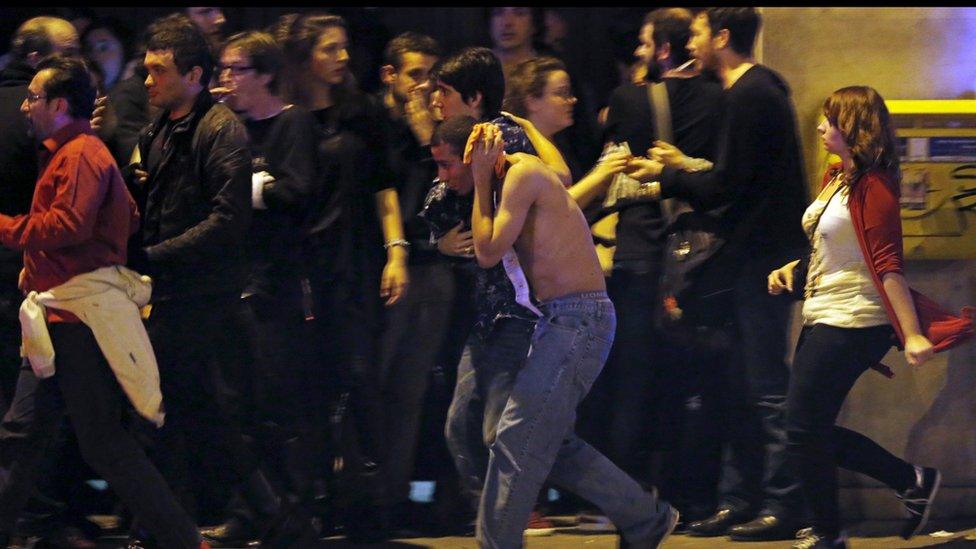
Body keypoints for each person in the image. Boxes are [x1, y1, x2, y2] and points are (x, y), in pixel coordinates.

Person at [434, 115, 678, 549]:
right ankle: (645, 518)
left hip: (579, 320)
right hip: (557, 320)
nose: (443, 177)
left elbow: (488, 252)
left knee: (514, 437)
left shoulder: (521, 175)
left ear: (477, 156)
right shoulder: (505, 180)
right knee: (548, 441)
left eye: (449, 165)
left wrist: (483, 173)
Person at [0, 54, 206, 549]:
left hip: (73, 321)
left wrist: (8, 230)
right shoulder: (74, 153)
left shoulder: (81, 155)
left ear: (60, 104)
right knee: (28, 438)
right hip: (62, 316)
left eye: (33, 97)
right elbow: (125, 215)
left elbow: (70, 224)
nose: (25, 106)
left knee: (90, 442)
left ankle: (183, 538)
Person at [130, 15, 312, 546]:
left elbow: (227, 221)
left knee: (168, 411)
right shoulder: (159, 128)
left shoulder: (220, 129)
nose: (148, 81)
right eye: (146, 70)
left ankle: (165, 525)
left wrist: (152, 257)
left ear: (193, 74)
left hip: (205, 295)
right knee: (196, 414)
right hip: (174, 289)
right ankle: (271, 515)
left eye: (158, 71)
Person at [629, 8, 808, 540]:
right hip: (748, 262)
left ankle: (783, 504)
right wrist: (684, 166)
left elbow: (731, 185)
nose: (694, 40)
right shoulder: (755, 90)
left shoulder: (752, 93)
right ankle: (740, 499)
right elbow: (738, 178)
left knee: (768, 388)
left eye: (702, 31)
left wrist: (664, 178)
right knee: (740, 385)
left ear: (723, 37)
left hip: (763, 264)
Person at [768, 86, 973, 549]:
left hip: (857, 317)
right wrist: (792, 271)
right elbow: (832, 249)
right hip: (823, 311)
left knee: (801, 427)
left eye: (830, 120)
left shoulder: (875, 185)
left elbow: (886, 264)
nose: (820, 128)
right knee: (806, 428)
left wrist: (914, 334)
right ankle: (906, 484)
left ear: (854, 127)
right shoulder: (837, 178)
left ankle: (830, 531)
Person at [574, 7, 726, 525]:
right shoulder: (720, 98)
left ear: (663, 48)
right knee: (693, 379)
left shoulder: (628, 100)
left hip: (641, 255)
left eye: (645, 43)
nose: (639, 52)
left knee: (632, 379)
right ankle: (697, 496)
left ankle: (629, 500)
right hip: (700, 256)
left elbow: (612, 167)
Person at [280, 13, 409, 540]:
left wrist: (396, 252)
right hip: (299, 270)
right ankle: (311, 503)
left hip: (354, 265)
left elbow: (384, 189)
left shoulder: (362, 114)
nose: (342, 58)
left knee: (359, 381)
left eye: (344, 49)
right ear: (303, 56)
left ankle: (369, 507)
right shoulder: (287, 119)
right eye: (330, 49)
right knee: (306, 389)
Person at [200, 30, 321, 547]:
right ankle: (250, 511)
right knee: (236, 407)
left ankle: (290, 515)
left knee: (276, 405)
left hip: (274, 288)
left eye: (237, 69)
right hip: (231, 285)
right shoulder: (228, 128)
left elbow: (295, 191)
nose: (225, 79)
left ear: (266, 74)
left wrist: (238, 190)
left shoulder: (291, 122)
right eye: (221, 69)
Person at [374, 31, 457, 534]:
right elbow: (383, 198)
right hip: (386, 269)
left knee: (410, 390)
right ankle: (354, 495)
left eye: (432, 75)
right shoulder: (372, 121)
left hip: (435, 270)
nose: (426, 85)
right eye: (415, 74)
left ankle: (388, 499)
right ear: (390, 75)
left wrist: (430, 133)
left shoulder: (438, 129)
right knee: (371, 385)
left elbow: (447, 194)